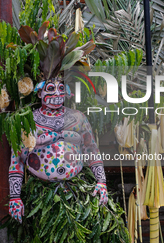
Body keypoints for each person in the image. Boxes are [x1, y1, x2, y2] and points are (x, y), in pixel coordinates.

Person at [9, 78, 108, 223]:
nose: (57, 93)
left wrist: (101, 182)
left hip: (76, 191)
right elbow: (17, 158)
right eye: (50, 89)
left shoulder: (78, 118)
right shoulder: (28, 121)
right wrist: (15, 197)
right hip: (39, 193)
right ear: (39, 93)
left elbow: (91, 149)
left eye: (61, 88)